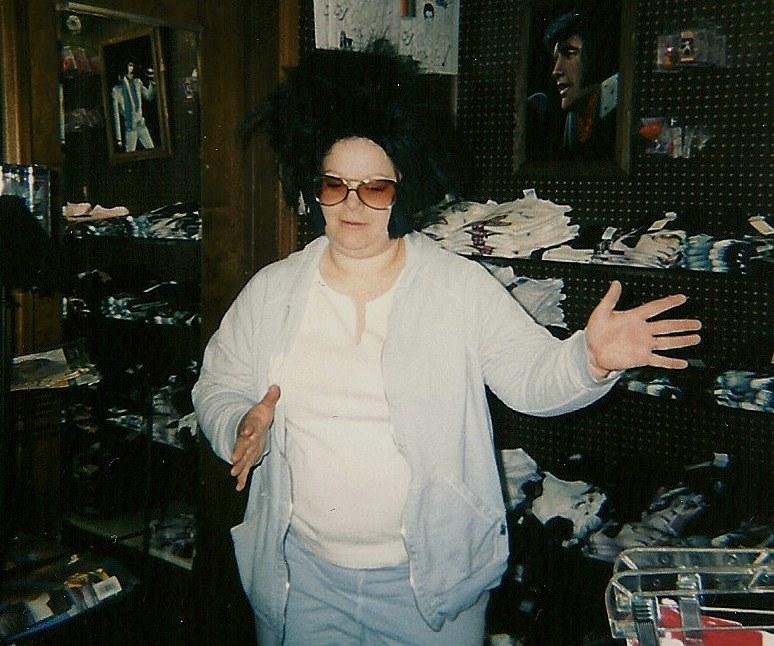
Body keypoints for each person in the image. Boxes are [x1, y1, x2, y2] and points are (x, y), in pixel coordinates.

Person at [192, 43, 701, 645]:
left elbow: (532, 377)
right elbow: (218, 383)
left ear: (402, 189)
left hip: (431, 587)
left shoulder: (457, 286)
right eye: (336, 185)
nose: (353, 204)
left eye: (375, 188)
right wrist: (238, 423)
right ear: (315, 187)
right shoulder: (273, 291)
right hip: (303, 581)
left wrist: (588, 359)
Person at [528, 8, 619, 161]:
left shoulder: (617, 112)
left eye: (569, 54)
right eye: (555, 59)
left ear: (595, 56)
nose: (556, 71)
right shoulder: (573, 120)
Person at [111, 59, 156, 152]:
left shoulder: (137, 83)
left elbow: (149, 96)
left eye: (132, 65)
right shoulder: (117, 90)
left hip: (141, 125)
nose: (131, 68)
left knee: (152, 150)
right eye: (129, 65)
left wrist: (152, 81)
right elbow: (116, 115)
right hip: (130, 128)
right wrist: (118, 138)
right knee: (130, 154)